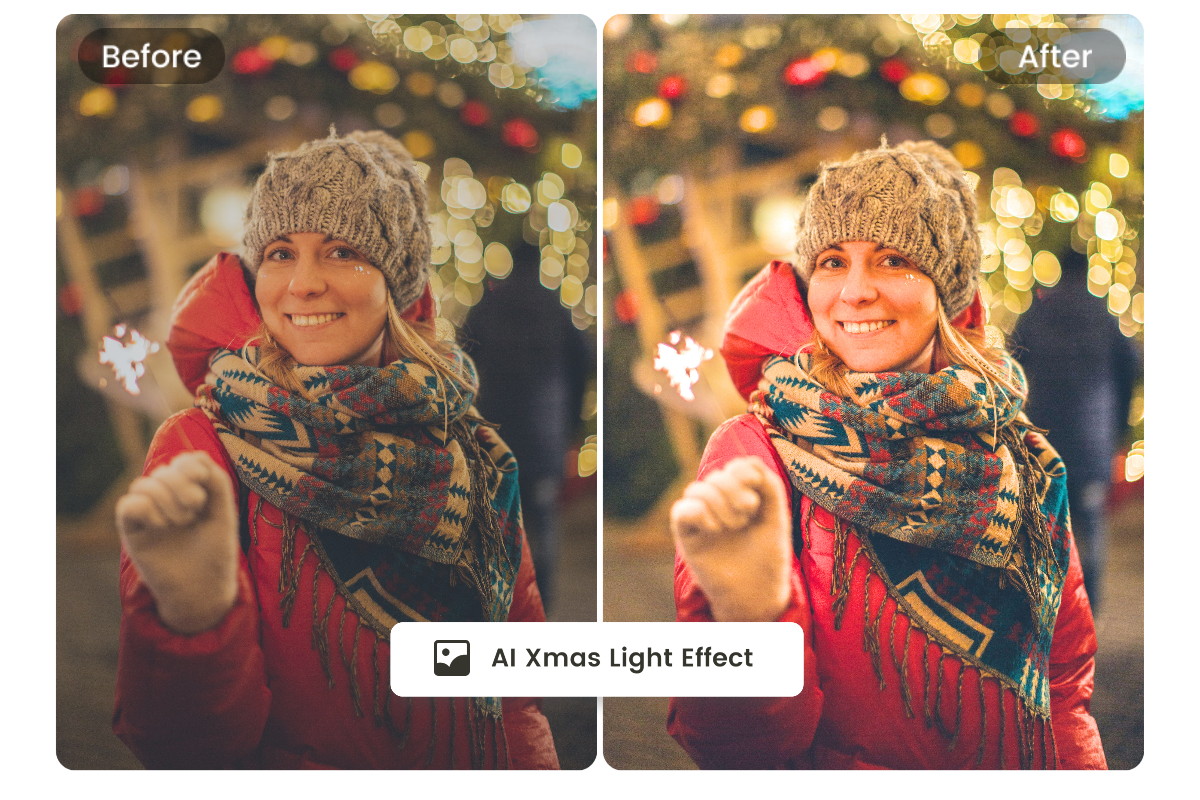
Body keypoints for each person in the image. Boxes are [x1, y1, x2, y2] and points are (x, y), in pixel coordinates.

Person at [112, 129, 559, 769]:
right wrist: (195, 614)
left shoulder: (471, 452)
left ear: (397, 283)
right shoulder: (203, 446)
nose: (304, 283)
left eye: (343, 252)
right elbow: (184, 750)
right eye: (279, 253)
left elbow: (515, 701)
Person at [667, 140, 1106, 770]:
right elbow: (733, 749)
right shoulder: (755, 452)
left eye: (894, 260)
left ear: (947, 290)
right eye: (831, 261)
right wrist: (750, 615)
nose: (854, 291)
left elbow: (1063, 690)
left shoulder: (1022, 457)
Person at [1011, 249, 1141, 614]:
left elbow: (1011, 363)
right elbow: (1132, 366)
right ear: (1085, 273)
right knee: (1090, 521)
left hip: (1044, 437)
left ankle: (1051, 606)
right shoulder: (1104, 315)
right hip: (1092, 438)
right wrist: (1119, 423)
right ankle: (1089, 605)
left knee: (1047, 520)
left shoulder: (1037, 312)